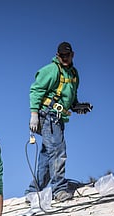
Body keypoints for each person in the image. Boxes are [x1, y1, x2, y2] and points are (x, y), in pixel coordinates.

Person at [28, 41, 92, 202]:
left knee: (47, 154)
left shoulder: (73, 74)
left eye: (67, 55)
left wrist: (77, 106)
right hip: (47, 115)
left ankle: (33, 191)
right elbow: (36, 90)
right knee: (58, 150)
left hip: (58, 117)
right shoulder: (51, 70)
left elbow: (71, 97)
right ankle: (59, 189)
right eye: (62, 56)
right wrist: (34, 114)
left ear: (72, 55)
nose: (64, 58)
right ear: (58, 56)